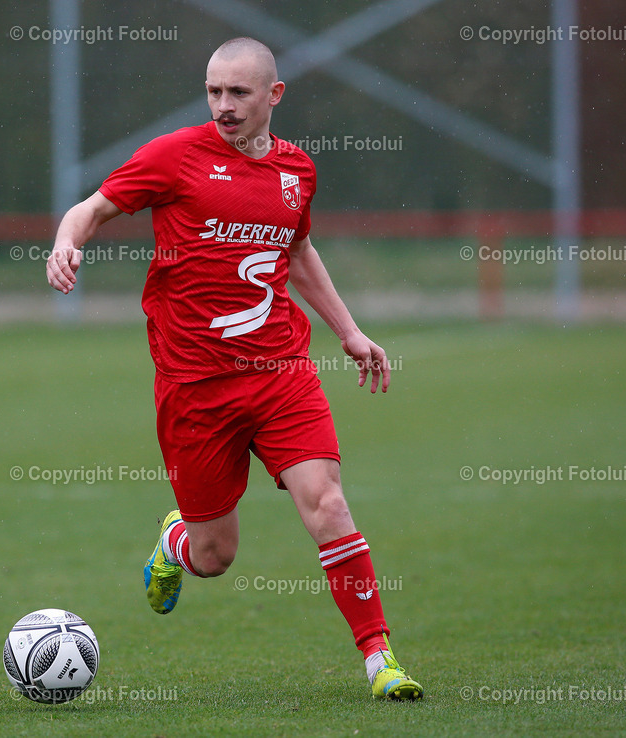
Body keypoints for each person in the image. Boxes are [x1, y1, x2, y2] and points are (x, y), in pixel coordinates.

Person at [46, 36, 422, 701]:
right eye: (214, 91)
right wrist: (65, 243)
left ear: (273, 96)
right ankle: (175, 544)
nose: (223, 106)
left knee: (329, 504)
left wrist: (350, 330)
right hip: (195, 389)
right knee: (215, 557)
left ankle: (379, 659)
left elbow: (297, 252)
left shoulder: (297, 170)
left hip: (282, 373)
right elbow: (93, 207)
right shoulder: (173, 157)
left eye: (238, 93)